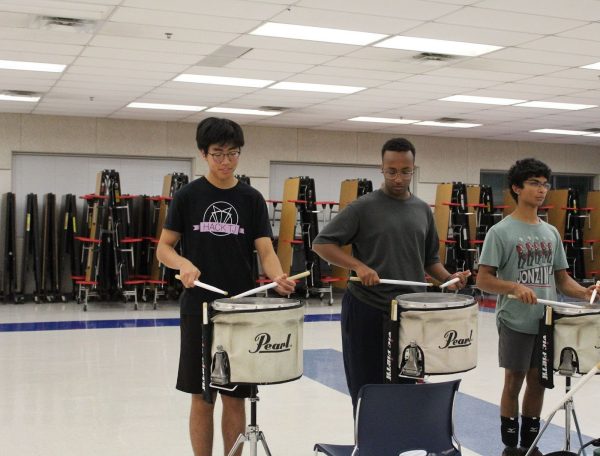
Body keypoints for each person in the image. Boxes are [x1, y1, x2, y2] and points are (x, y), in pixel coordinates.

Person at [156, 117, 296, 456]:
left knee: (236, 397)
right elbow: (164, 248)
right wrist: (184, 264)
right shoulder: (188, 196)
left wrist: (278, 277)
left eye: (233, 154)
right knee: (203, 396)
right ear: (203, 154)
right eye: (218, 154)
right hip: (199, 309)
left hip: (240, 311)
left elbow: (265, 249)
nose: (226, 162)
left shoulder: (251, 199)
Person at [312, 137, 470, 413]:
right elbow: (322, 244)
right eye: (391, 171)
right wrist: (358, 266)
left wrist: (449, 280)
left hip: (408, 313)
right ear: (381, 169)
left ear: (413, 169)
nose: (398, 178)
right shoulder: (363, 207)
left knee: (405, 387)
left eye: (405, 171)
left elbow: (430, 260)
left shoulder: (422, 210)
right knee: (366, 390)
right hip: (367, 308)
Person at [476, 158, 599, 456]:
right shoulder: (500, 232)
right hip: (514, 320)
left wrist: (586, 293)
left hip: (545, 321)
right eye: (534, 183)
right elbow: (483, 280)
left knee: (539, 382)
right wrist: (514, 287)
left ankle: (530, 445)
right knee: (513, 381)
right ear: (517, 188)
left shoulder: (551, 233)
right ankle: (510, 446)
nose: (541, 190)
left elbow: (562, 280)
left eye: (545, 184)